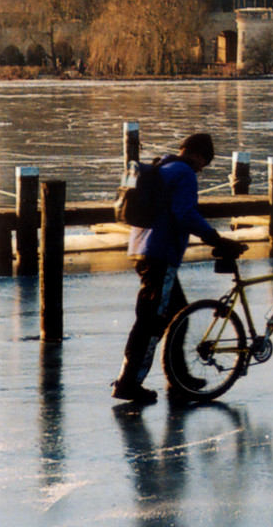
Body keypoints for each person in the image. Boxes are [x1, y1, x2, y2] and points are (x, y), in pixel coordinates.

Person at [112, 132, 243, 404]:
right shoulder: (184, 173)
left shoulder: (164, 167)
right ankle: (129, 383)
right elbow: (185, 214)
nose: (201, 169)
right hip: (160, 253)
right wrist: (216, 238)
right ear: (196, 155)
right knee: (152, 321)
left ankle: (178, 378)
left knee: (177, 315)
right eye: (203, 163)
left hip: (141, 248)